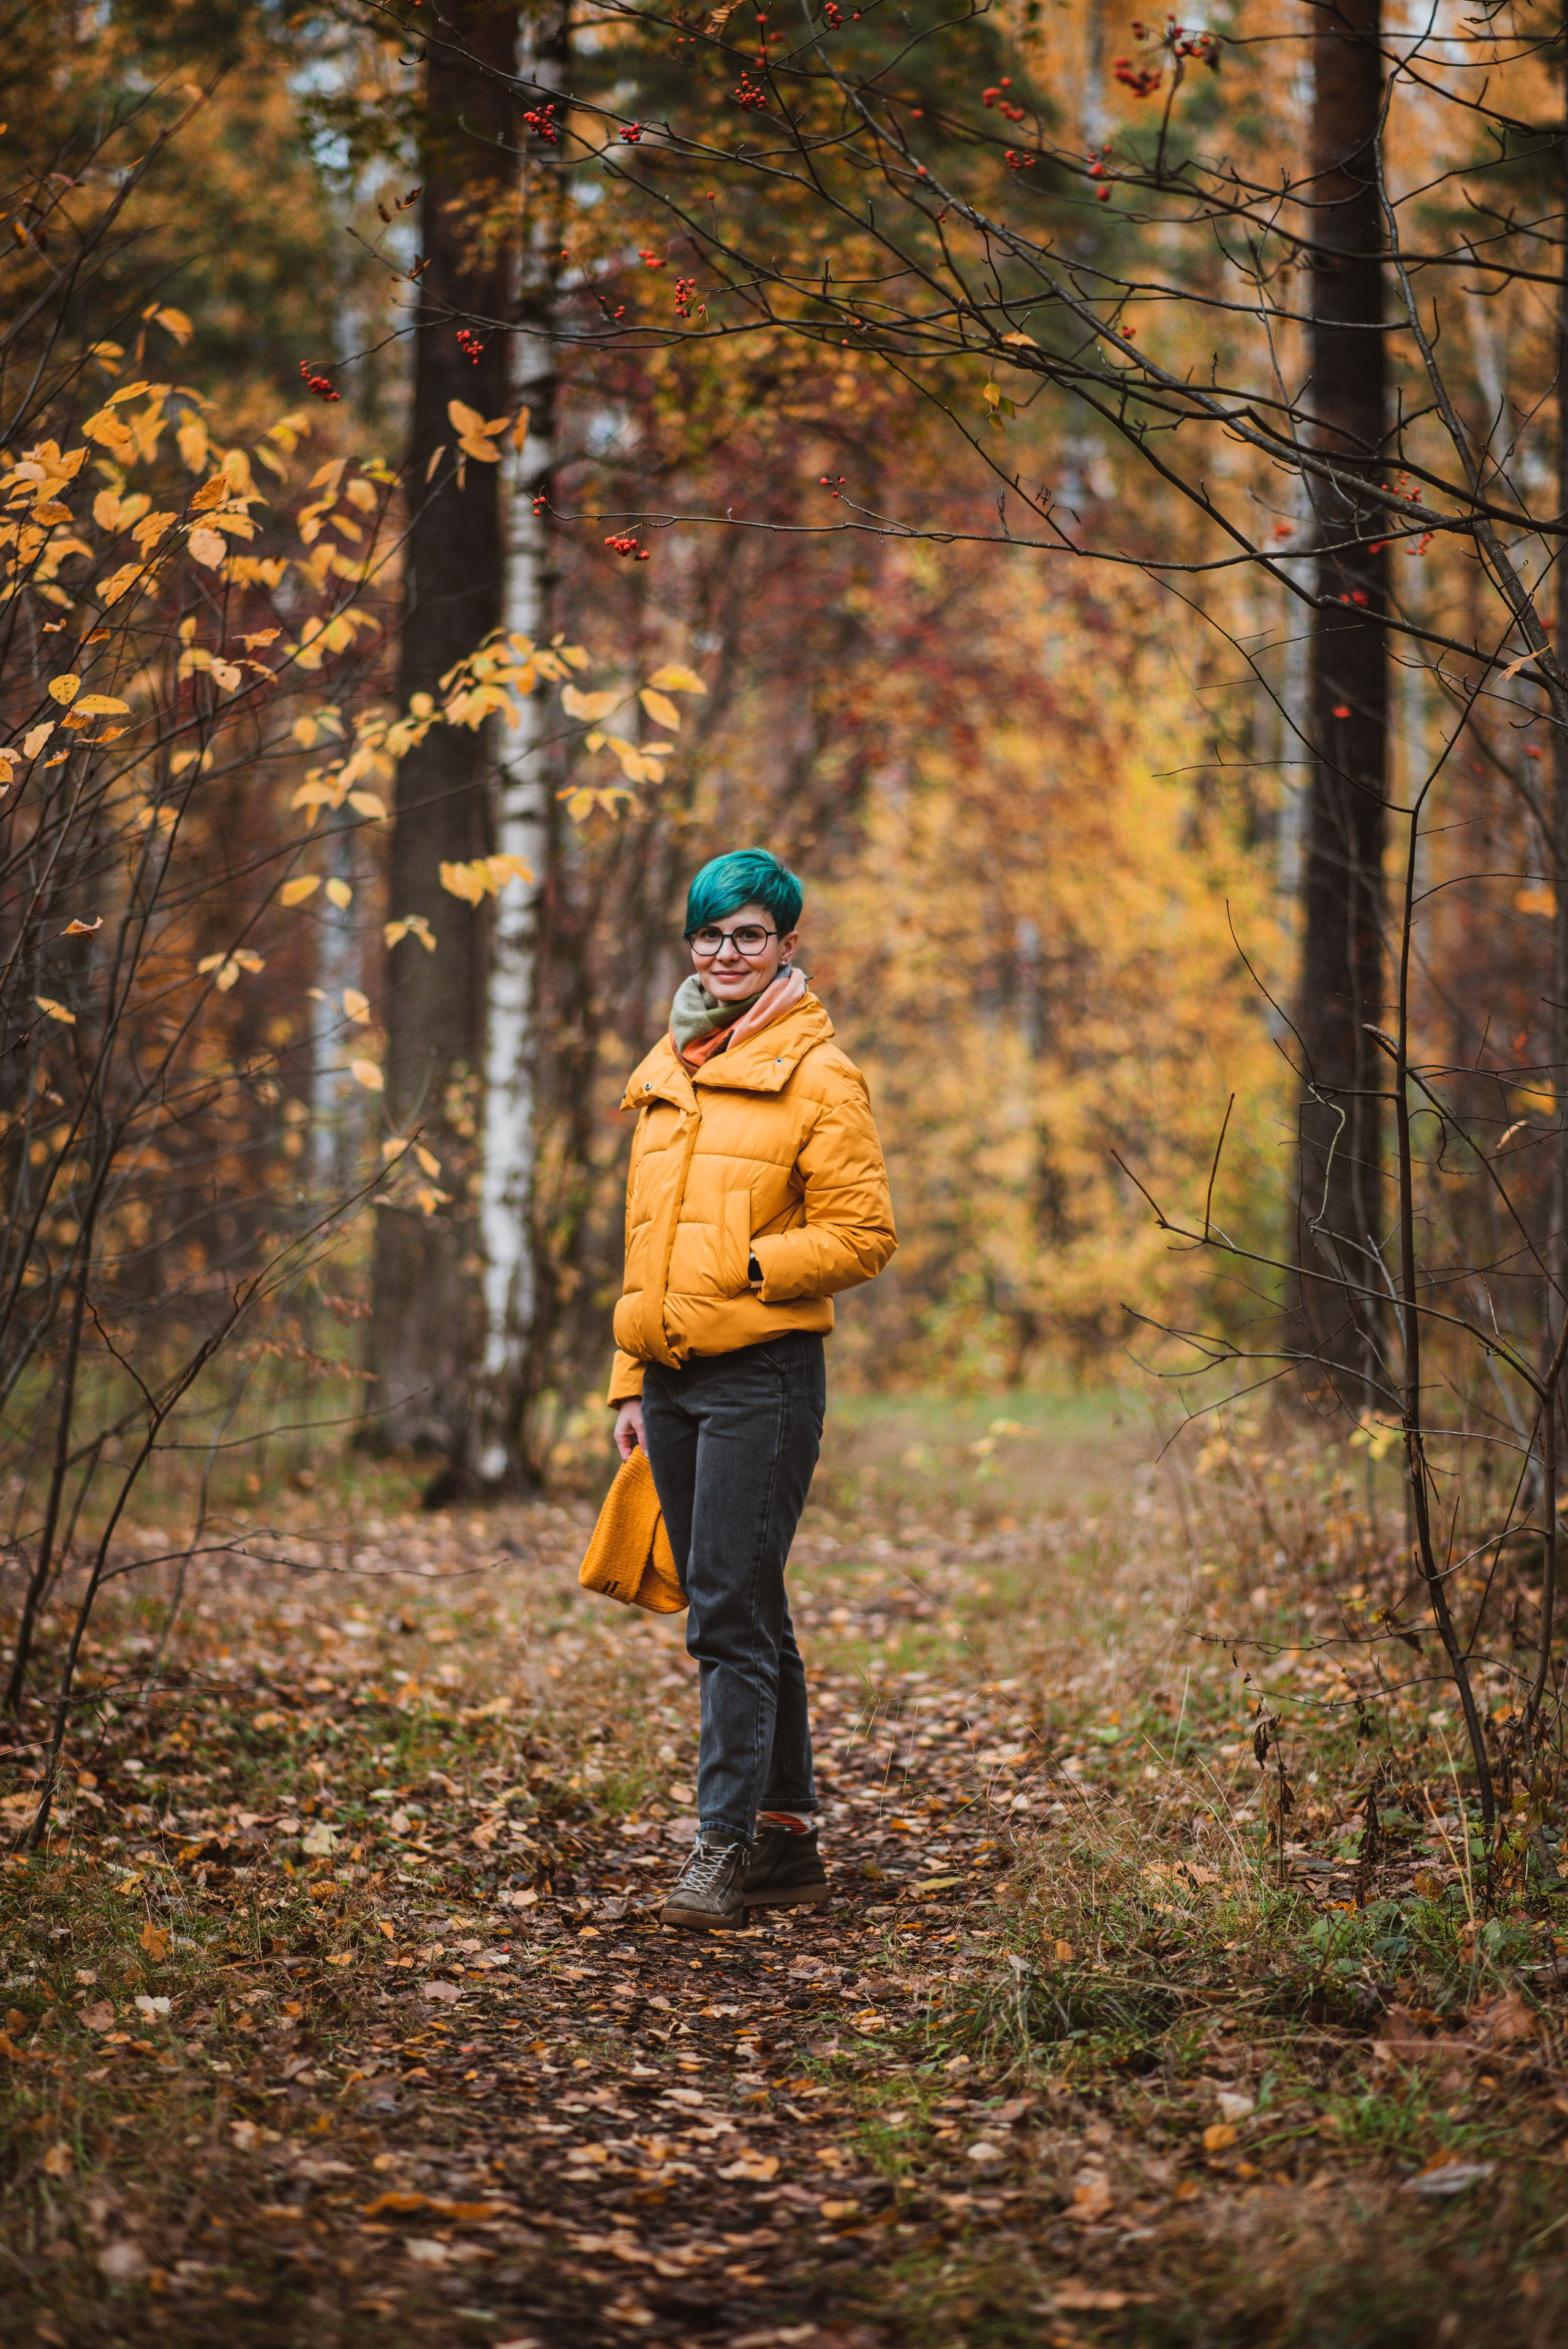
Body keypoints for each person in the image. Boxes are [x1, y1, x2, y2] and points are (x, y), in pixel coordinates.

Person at [608, 849, 897, 1929]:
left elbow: (867, 1235)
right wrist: (628, 1379)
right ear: (692, 945)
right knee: (748, 1601)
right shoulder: (669, 1067)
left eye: (750, 936)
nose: (727, 954)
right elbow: (643, 1243)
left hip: (762, 1378)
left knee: (724, 1612)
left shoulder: (822, 1074)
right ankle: (786, 1837)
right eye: (711, 935)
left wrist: (750, 1266)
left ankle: (720, 1847)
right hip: (672, 1381)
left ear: (786, 946)